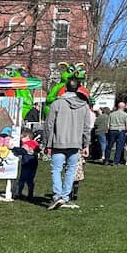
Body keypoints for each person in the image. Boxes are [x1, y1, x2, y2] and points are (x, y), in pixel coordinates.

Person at [43, 77, 90, 210]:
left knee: (56, 170)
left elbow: (49, 125)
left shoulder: (57, 104)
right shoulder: (84, 105)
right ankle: (65, 196)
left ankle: (58, 195)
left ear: (65, 88)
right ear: (78, 88)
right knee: (70, 170)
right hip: (75, 143)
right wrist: (86, 144)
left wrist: (46, 143)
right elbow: (87, 127)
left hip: (59, 142)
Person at [12, 128, 40, 200]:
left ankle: (19, 193)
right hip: (34, 163)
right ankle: (30, 194)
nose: (21, 139)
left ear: (27, 137)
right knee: (30, 180)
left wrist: (13, 148)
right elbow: (38, 150)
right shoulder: (35, 143)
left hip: (26, 163)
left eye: (22, 137)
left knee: (22, 179)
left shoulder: (26, 144)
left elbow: (22, 151)